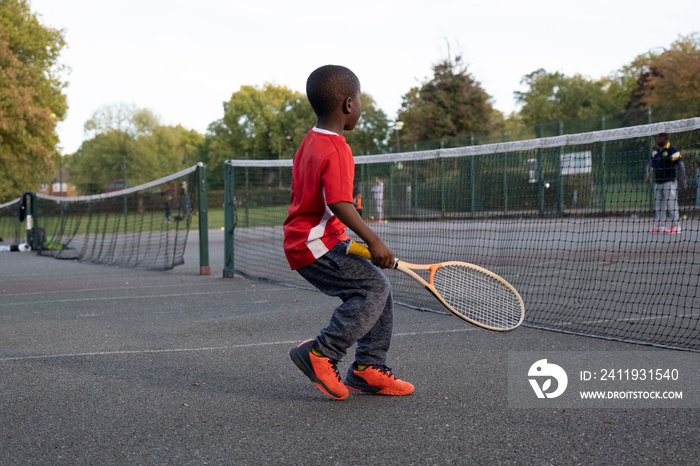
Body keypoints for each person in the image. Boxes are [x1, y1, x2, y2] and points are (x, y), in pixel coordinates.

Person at [284, 65, 414, 400]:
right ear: (347, 105)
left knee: (377, 286)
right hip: (315, 245)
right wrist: (374, 240)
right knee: (371, 289)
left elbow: (321, 204)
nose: (361, 107)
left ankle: (369, 368)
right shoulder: (337, 147)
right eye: (359, 100)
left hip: (316, 241)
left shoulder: (310, 142)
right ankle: (321, 354)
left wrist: (347, 241)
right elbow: (339, 201)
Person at [645, 133, 687, 234]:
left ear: (666, 138)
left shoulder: (672, 150)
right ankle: (661, 227)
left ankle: (676, 227)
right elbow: (650, 164)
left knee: (671, 204)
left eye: (659, 137)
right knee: (659, 205)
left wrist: (683, 181)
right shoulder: (655, 151)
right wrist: (647, 175)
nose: (657, 139)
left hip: (669, 182)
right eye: (656, 138)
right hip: (658, 182)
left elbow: (681, 166)